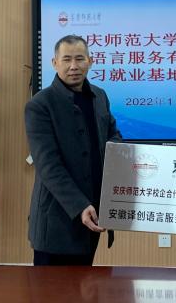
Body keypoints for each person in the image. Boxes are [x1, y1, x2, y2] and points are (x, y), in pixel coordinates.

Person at [25, 35, 121, 265]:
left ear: (90, 61)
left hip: (93, 216)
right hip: (55, 222)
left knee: (85, 285)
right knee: (50, 288)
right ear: (54, 63)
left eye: (80, 59)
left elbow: (113, 138)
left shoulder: (99, 96)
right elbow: (48, 166)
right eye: (67, 59)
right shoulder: (40, 104)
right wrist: (80, 206)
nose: (74, 66)